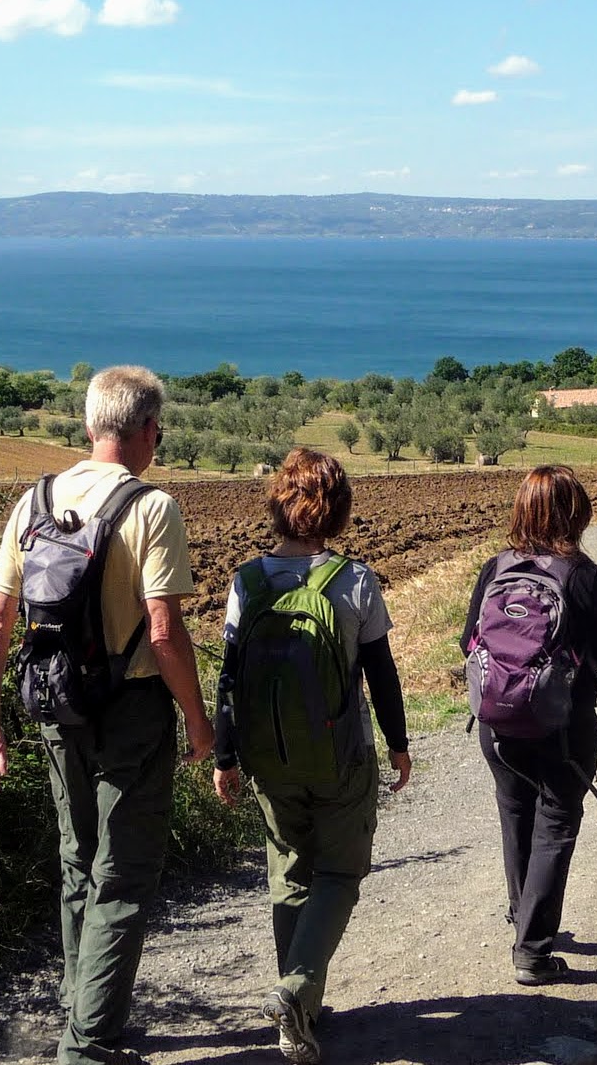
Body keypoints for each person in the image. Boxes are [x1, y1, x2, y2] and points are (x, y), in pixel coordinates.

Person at [0, 365, 215, 1065]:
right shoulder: (151, 507)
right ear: (146, 431)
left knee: (77, 862)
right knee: (125, 874)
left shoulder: (35, 499)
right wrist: (198, 722)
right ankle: (90, 1045)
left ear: (88, 427)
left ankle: (87, 1016)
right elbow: (163, 632)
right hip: (131, 707)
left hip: (52, 702)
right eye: (158, 430)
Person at [212, 448, 411, 1065]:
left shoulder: (246, 581)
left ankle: (299, 1009)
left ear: (277, 504)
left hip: (269, 757)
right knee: (340, 874)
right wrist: (399, 745)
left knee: (290, 870)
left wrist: (226, 756)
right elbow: (380, 675)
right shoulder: (353, 580)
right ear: (339, 510)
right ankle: (296, 990)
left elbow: (229, 677)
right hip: (340, 755)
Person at [463, 464, 597, 986]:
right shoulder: (581, 574)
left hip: (498, 726)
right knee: (555, 826)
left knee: (516, 819)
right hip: (564, 727)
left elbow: (468, 643)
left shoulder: (496, 569)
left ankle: (524, 923)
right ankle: (532, 952)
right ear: (576, 512)